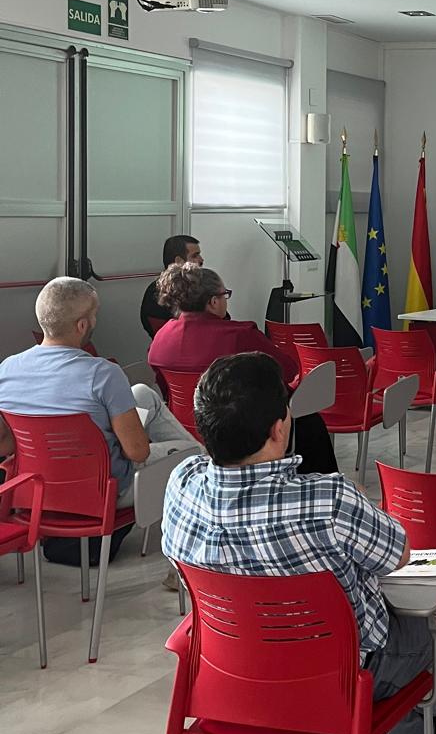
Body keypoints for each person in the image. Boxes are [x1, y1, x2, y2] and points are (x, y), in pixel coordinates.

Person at [162, 353, 436, 734]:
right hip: (339, 675)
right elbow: (397, 555)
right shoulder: (327, 501)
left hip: (232, 670)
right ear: (279, 429)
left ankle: (431, 709)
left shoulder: (182, 484)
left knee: (386, 648)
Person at [0, 278, 196, 559]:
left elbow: (5, 446)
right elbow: (137, 452)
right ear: (82, 325)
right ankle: (207, 481)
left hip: (37, 490)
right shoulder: (103, 374)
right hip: (103, 494)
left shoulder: (7, 369)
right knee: (192, 455)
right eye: (94, 314)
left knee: (142, 394)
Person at [148, 263, 337, 473]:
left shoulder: (161, 338)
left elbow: (166, 391)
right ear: (213, 302)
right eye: (224, 295)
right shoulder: (239, 335)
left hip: (188, 431)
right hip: (239, 433)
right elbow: (287, 369)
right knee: (310, 424)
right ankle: (323, 490)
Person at [141, 233, 201, 337]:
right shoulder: (156, 293)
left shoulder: (153, 289)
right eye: (195, 256)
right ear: (178, 261)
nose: (201, 260)